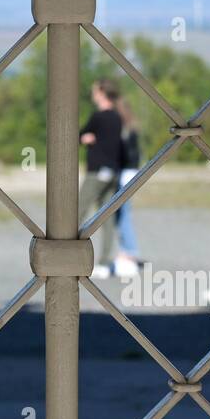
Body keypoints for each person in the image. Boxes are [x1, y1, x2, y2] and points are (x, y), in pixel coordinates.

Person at [78, 79, 125, 278]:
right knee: (106, 218)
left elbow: (79, 134)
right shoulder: (117, 117)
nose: (92, 93)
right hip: (113, 171)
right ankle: (105, 264)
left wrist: (86, 139)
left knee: (77, 212)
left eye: (95, 90)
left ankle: (69, 256)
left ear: (102, 93)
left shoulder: (98, 117)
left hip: (97, 171)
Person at [111, 92, 142, 277]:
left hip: (124, 173)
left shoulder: (123, 130)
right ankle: (127, 249)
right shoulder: (132, 128)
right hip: (131, 172)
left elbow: (123, 155)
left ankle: (130, 250)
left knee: (123, 214)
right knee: (123, 213)